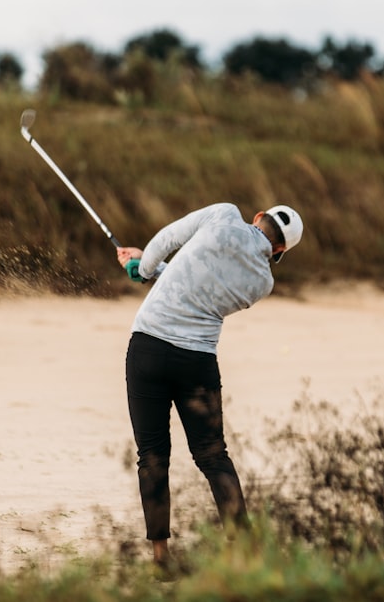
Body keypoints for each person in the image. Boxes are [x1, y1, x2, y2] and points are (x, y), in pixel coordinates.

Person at [115, 202, 303, 573]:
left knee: (152, 455)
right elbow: (203, 288)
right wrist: (149, 269)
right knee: (213, 455)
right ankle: (245, 549)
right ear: (279, 251)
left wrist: (142, 267)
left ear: (258, 215)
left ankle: (160, 558)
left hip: (148, 348)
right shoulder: (263, 283)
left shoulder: (223, 214)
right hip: (196, 362)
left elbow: (168, 239)